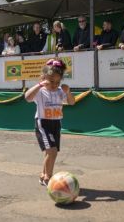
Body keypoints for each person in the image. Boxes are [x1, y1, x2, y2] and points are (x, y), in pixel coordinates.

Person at [24, 58, 75, 186]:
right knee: (51, 151)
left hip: (56, 124)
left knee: (51, 152)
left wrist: (68, 91)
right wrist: (39, 85)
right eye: (51, 81)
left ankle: (43, 175)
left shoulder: (59, 91)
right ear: (43, 77)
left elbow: (72, 102)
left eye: (58, 82)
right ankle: (49, 178)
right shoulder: (40, 91)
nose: (54, 84)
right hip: (43, 124)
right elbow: (27, 97)